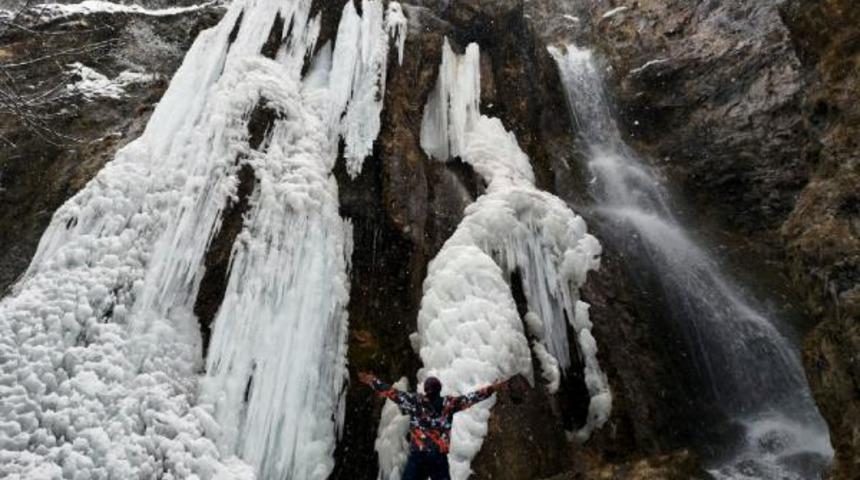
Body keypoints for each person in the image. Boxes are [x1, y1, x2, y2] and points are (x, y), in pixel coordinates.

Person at [358, 371, 508, 480]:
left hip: (419, 455)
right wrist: (491, 388)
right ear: (439, 389)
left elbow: (393, 393)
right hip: (438, 456)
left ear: (425, 389)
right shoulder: (448, 404)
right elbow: (471, 398)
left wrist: (373, 381)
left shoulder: (415, 401)